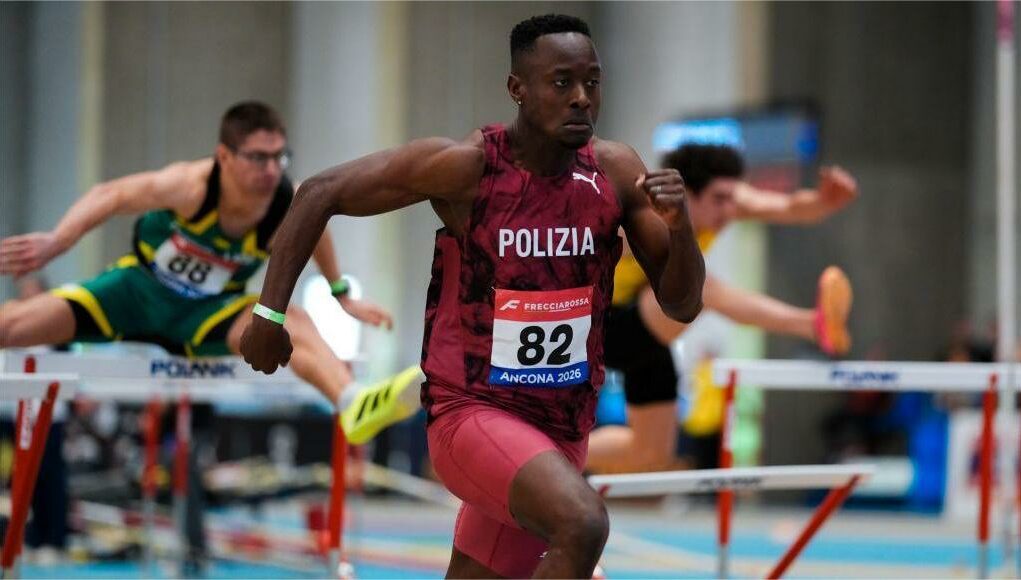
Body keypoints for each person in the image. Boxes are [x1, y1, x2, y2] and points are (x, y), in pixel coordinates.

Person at [239, 14, 704, 579]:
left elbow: (682, 303)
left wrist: (680, 227)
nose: (582, 98)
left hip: (562, 427)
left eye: (592, 82)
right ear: (518, 89)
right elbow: (319, 193)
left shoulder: (613, 171)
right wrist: (268, 313)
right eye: (562, 83)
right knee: (581, 523)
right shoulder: (470, 170)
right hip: (473, 413)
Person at [0, 101, 420, 412]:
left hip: (209, 314)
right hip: (136, 294)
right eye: (258, 157)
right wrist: (56, 241)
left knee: (293, 321)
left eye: (279, 156)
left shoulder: (283, 206)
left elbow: (316, 233)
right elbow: (108, 195)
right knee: (14, 323)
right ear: (224, 156)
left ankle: (352, 404)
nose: (272, 169)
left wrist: (341, 294)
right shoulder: (191, 186)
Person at [587, 143, 857, 473]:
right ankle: (812, 325)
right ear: (685, 194)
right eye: (719, 200)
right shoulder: (646, 216)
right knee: (700, 287)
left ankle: (559, 453)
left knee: (650, 453)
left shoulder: (726, 199)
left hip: (651, 332)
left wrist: (823, 202)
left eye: (732, 198)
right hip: (603, 328)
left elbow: (789, 207)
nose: (729, 211)